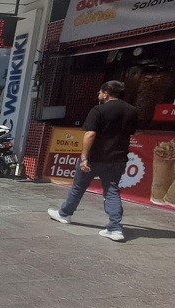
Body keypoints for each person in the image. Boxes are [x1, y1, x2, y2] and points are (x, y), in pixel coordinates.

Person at [48, 80, 138, 242]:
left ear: (106, 93)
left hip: (94, 158)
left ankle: (65, 214)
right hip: (117, 159)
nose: (98, 95)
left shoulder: (98, 110)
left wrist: (84, 158)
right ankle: (115, 228)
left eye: (100, 92)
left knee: (78, 187)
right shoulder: (131, 111)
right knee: (111, 192)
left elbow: (90, 134)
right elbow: (131, 132)